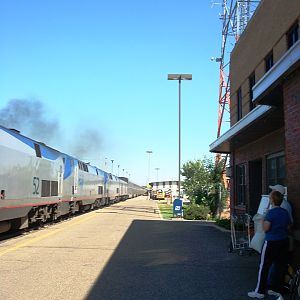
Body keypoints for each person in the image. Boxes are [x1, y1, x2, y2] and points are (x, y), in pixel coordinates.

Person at [248, 190, 292, 299]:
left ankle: (259, 291)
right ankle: (275, 289)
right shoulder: (285, 212)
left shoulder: (271, 213)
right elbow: (289, 227)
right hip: (283, 241)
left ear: (272, 200)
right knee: (279, 266)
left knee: (264, 266)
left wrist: (263, 220)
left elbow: (266, 229)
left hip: (271, 242)